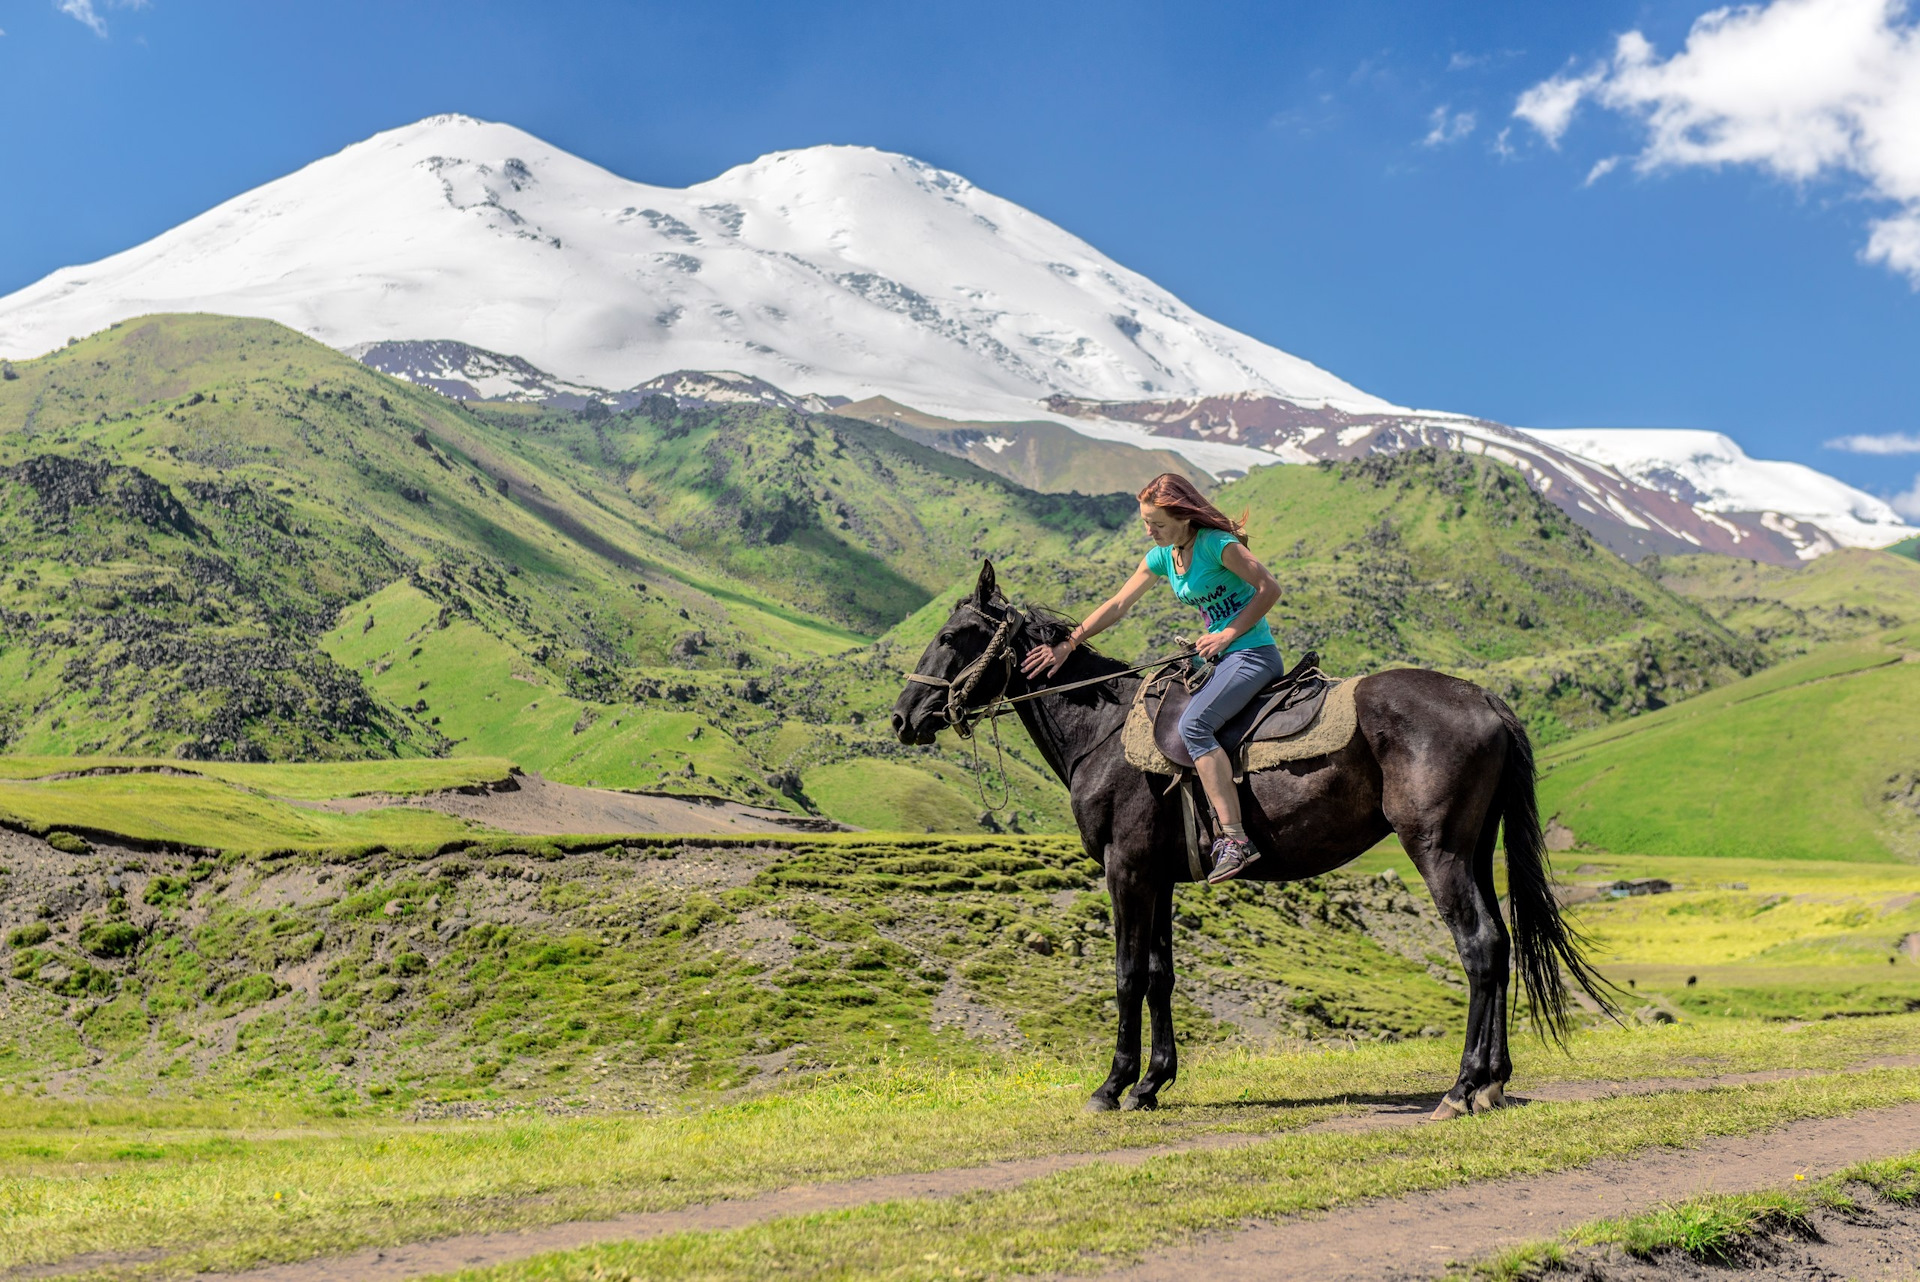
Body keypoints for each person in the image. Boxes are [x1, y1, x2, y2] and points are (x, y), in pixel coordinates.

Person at [1021, 473, 1283, 882]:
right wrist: (1069, 644)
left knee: (1195, 725)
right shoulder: (1164, 556)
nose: (1149, 530)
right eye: (1146, 522)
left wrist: (1229, 633)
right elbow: (1119, 603)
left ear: (1183, 517)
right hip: (1212, 661)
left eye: (1157, 523)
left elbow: (1269, 588)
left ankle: (1235, 839)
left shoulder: (1218, 545)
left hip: (1251, 655)